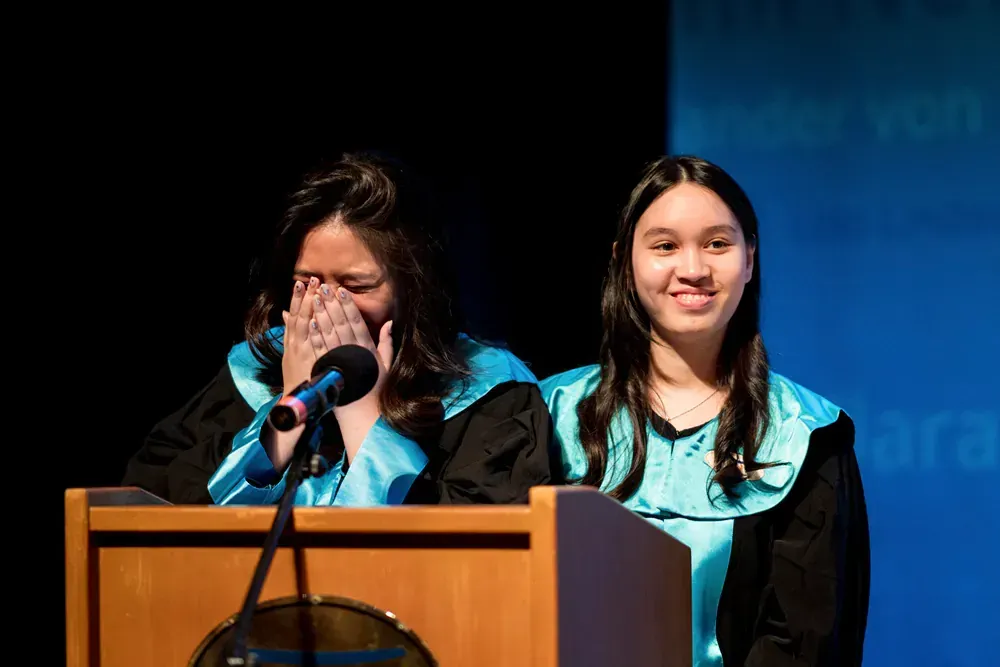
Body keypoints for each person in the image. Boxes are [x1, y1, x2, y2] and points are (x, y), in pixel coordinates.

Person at [540, 156, 870, 666]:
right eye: (665, 246)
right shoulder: (549, 415)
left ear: (751, 259)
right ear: (623, 261)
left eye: (717, 243)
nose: (693, 269)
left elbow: (808, 642)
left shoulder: (805, 434)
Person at [123, 151, 553, 506]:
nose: (327, 304)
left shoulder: (490, 389)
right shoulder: (251, 371)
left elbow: (479, 544)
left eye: (355, 285)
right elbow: (158, 497)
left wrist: (364, 411)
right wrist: (284, 419)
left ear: (415, 288)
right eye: (306, 282)